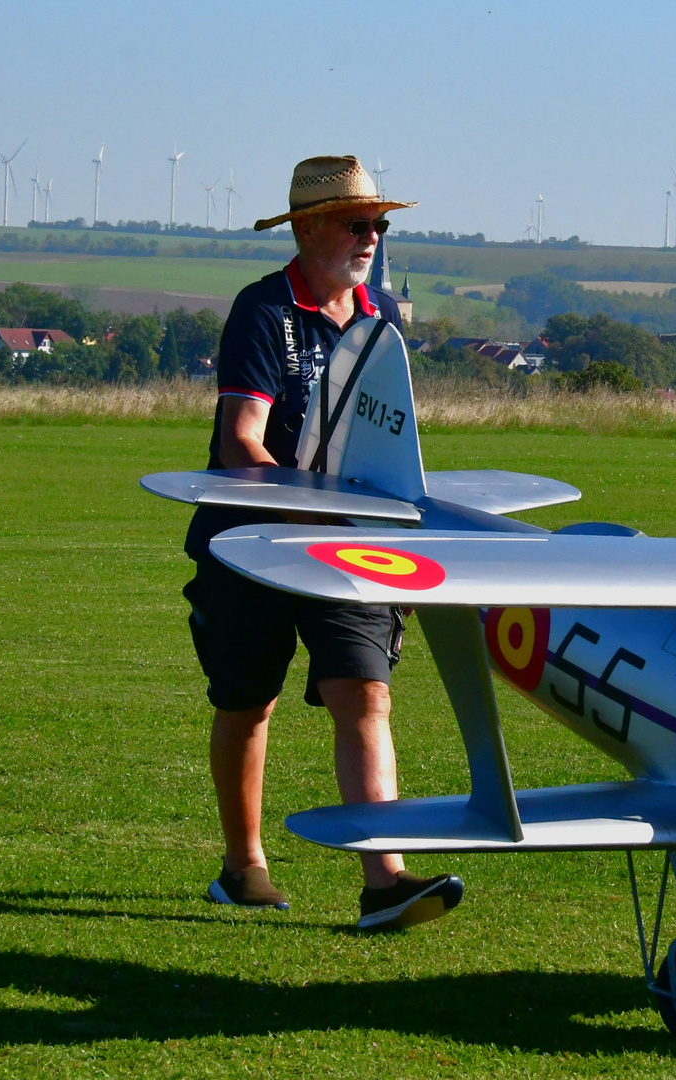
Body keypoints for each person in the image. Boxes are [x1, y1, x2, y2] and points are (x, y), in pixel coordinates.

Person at [182, 156, 462, 930]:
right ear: (307, 229)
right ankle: (244, 869)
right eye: (356, 224)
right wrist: (304, 513)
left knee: (365, 692)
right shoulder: (262, 311)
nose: (371, 238)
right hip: (252, 542)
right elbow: (242, 441)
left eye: (379, 225)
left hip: (350, 551)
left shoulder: (381, 319)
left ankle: (387, 881)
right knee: (248, 704)